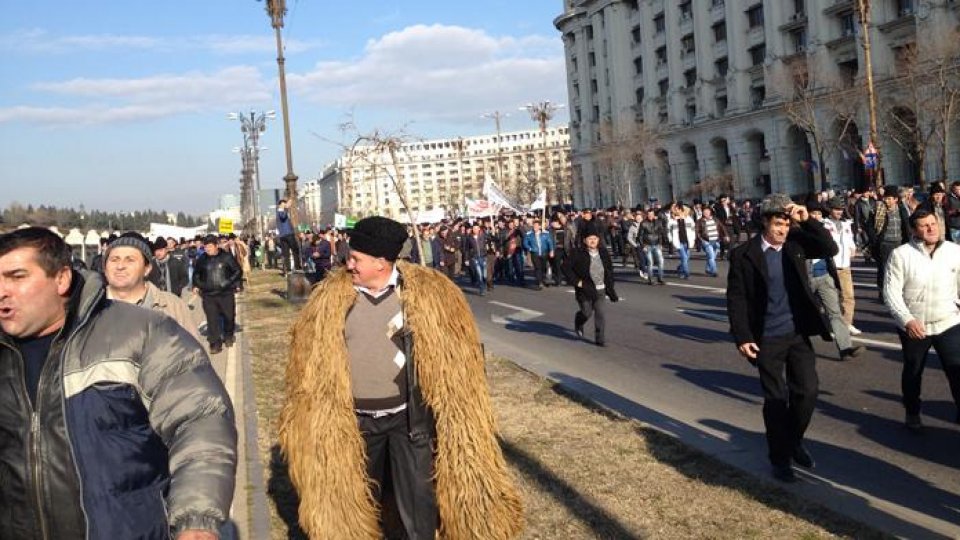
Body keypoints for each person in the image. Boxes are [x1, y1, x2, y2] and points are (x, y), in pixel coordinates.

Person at [278, 216, 523, 539]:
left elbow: (459, 358)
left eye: (356, 259)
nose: (348, 264)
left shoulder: (424, 295)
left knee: (417, 509)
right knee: (357, 506)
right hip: (354, 425)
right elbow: (307, 366)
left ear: (381, 263)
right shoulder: (332, 300)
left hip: (410, 422)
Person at [0, 227, 236, 540]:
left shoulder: (143, 332)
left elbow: (199, 420)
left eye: (17, 277)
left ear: (61, 279)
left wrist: (195, 517)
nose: (2, 290)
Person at [726, 193, 837, 482]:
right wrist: (742, 336)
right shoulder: (744, 254)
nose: (783, 230)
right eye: (778, 224)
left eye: (786, 224)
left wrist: (807, 220)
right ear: (765, 222)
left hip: (797, 333)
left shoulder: (795, 245)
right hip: (767, 338)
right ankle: (780, 459)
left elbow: (829, 247)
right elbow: (736, 298)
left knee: (808, 391)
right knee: (776, 399)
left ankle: (793, 440)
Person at [882, 207, 960, 430]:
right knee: (913, 372)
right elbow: (891, 292)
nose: (931, 228)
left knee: (957, 371)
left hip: (949, 322)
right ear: (914, 230)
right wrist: (907, 320)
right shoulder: (901, 255)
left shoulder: (954, 251)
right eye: (924, 225)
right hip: (915, 325)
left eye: (933, 223)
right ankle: (912, 411)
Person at [105, 234, 200, 341]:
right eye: (114, 260)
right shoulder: (92, 307)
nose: (120, 266)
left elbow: (194, 353)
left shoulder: (175, 308)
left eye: (130, 260)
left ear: (147, 269)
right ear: (104, 267)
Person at [806, 205, 864, 361]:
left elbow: (833, 248)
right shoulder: (799, 233)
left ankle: (845, 348)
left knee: (835, 313)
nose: (816, 216)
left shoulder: (823, 230)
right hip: (806, 278)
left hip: (825, 276)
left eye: (819, 213)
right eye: (813, 213)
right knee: (800, 313)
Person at [563, 222, 619, 346]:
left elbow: (609, 271)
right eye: (590, 239)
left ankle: (599, 339)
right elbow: (566, 268)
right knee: (586, 313)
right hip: (584, 289)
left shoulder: (603, 253)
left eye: (595, 238)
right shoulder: (577, 253)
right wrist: (577, 282)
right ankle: (579, 321)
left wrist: (611, 289)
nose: (593, 241)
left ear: (598, 239)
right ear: (585, 240)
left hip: (600, 289)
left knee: (600, 313)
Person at [193, 234, 242, 354]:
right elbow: (196, 274)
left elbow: (237, 271)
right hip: (209, 295)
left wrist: (229, 282)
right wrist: (198, 285)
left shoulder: (226, 257)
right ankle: (215, 343)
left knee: (229, 316)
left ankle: (228, 335)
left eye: (210, 246)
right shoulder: (201, 259)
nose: (207, 249)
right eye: (205, 247)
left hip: (225, 293)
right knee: (212, 320)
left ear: (216, 246)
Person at [824, 197, 860, 335]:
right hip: (830, 266)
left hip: (845, 265)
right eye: (836, 209)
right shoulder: (825, 224)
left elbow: (850, 239)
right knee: (831, 299)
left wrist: (853, 248)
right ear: (830, 209)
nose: (839, 212)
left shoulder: (846, 224)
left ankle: (847, 323)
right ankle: (832, 327)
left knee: (848, 296)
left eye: (840, 209)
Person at [867, 187, 910, 295]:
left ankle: (898, 291)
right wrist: (875, 240)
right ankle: (883, 291)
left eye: (889, 198)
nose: (887, 201)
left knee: (899, 268)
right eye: (886, 198)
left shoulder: (901, 210)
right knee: (885, 268)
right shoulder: (878, 210)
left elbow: (907, 226)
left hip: (899, 243)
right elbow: (869, 227)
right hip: (885, 243)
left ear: (896, 199)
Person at [696, 206, 729, 277]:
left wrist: (726, 235)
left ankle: (708, 269)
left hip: (716, 241)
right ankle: (714, 271)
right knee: (711, 256)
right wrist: (701, 240)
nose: (706, 213)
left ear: (710, 212)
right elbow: (697, 232)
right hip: (707, 241)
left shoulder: (715, 219)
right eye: (704, 212)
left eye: (707, 211)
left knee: (712, 257)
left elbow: (722, 227)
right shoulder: (700, 221)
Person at [523, 220, 554, 290]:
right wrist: (530, 248)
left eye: (537, 226)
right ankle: (540, 282)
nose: (535, 227)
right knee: (537, 267)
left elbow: (550, 242)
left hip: (544, 253)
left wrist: (551, 250)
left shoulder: (545, 234)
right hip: (535, 253)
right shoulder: (529, 234)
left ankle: (543, 279)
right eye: (534, 226)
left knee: (543, 268)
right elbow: (525, 243)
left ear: (539, 226)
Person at [668, 203, 696, 280]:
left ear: (681, 210)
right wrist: (671, 240)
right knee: (684, 258)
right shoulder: (672, 220)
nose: (676, 211)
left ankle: (680, 269)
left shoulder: (689, 219)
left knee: (687, 258)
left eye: (677, 209)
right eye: (675, 209)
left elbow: (693, 230)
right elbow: (668, 231)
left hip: (687, 241)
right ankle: (686, 273)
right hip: (678, 242)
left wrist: (693, 239)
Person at [640, 209, 667, 285]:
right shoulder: (643, 223)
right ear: (647, 215)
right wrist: (643, 246)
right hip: (647, 245)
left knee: (661, 261)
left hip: (657, 244)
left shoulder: (658, 222)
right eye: (649, 214)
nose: (650, 216)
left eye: (651, 214)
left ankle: (660, 278)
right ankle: (651, 279)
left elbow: (660, 234)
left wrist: (661, 244)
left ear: (654, 215)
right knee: (650, 262)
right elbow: (640, 236)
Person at [276, 199, 302, 276]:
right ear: (281, 204)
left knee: (286, 253)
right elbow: (283, 217)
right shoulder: (280, 211)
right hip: (287, 234)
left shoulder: (280, 211)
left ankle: (288, 269)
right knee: (295, 249)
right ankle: (296, 267)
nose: (286, 204)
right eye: (284, 203)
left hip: (283, 235)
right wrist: (286, 208)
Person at [463, 222, 488, 296]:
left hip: (483, 257)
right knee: (479, 274)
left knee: (484, 275)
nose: (475, 230)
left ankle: (484, 282)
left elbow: (491, 239)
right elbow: (467, 249)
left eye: (476, 228)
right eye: (474, 228)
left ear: (479, 229)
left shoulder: (483, 235)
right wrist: (466, 259)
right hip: (475, 258)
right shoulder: (469, 238)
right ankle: (482, 289)